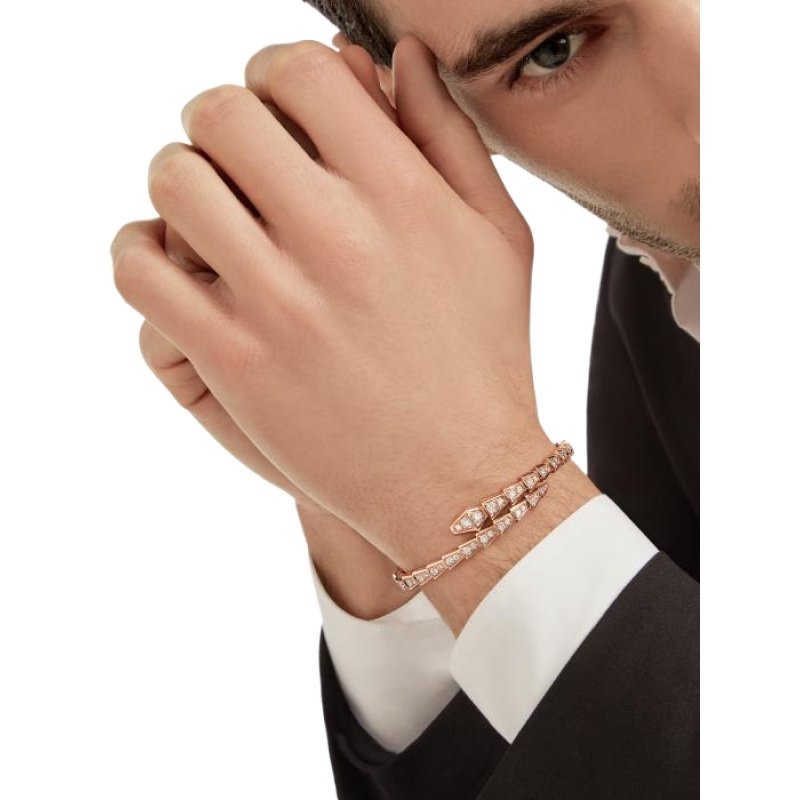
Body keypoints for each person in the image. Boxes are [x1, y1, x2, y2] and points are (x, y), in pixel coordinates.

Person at [110, 0, 699, 796]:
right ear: (446, 120)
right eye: (555, 50)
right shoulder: (670, 289)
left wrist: (485, 506)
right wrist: (381, 506)